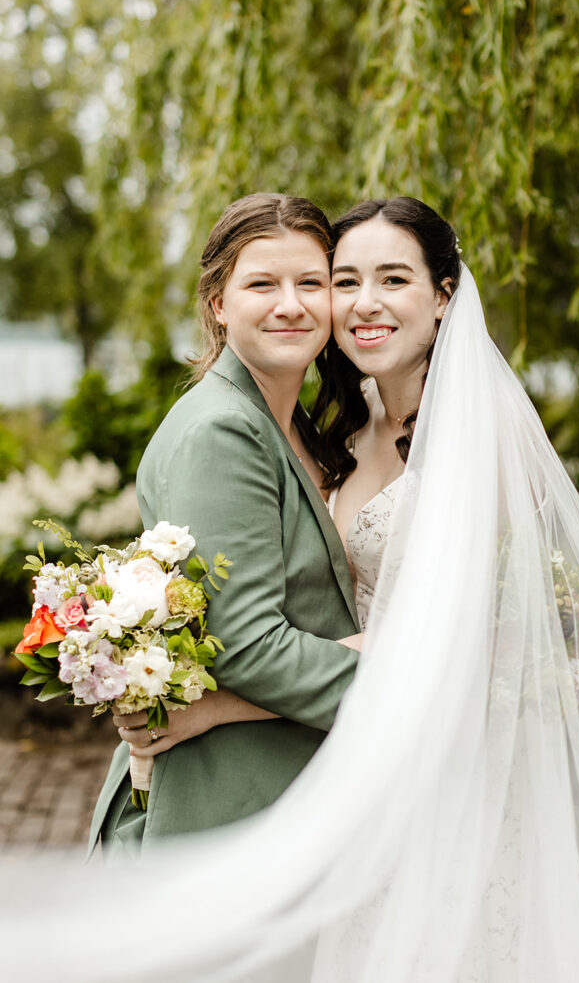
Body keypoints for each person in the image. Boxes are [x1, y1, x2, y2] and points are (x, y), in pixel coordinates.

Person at [98, 198, 579, 983]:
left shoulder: (482, 437)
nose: (362, 302)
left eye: (391, 278)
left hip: (439, 771)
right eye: (346, 279)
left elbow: (466, 655)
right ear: (217, 302)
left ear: (442, 294)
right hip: (357, 766)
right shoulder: (344, 423)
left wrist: (222, 705)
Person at [88, 192, 362, 855]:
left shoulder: (291, 423)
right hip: (230, 800)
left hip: (287, 787)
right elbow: (247, 646)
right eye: (262, 284)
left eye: (311, 283)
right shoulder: (223, 430)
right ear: (218, 303)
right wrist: (414, 684)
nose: (290, 304)